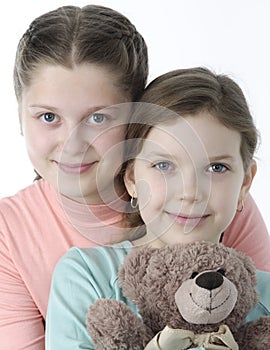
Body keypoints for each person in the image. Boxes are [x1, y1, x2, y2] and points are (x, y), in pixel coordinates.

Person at [0, 3, 269, 348]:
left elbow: (256, 311)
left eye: (98, 118)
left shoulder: (210, 207)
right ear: (20, 114)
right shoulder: (14, 232)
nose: (72, 144)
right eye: (48, 117)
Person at [45, 67, 270, 349]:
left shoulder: (263, 296)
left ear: (245, 183)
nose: (190, 193)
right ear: (131, 179)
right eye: (164, 166)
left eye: (216, 167)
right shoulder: (88, 275)